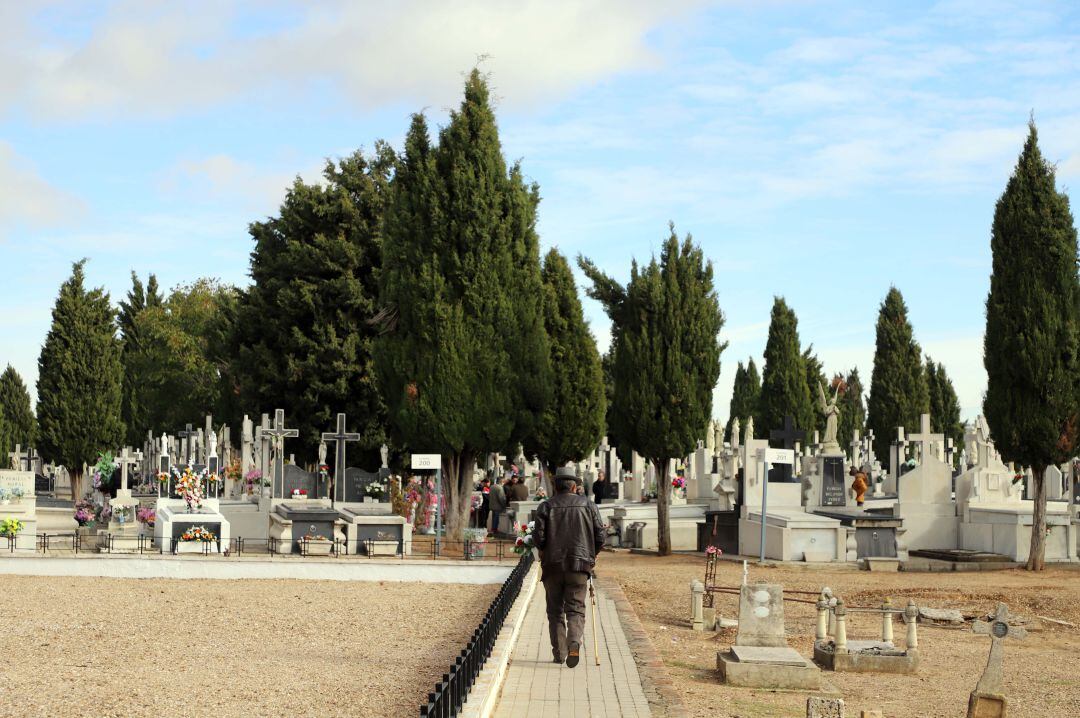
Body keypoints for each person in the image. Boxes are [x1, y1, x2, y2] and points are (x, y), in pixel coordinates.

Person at [534, 467, 605, 668]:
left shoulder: (545, 507)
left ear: (555, 487)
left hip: (553, 566)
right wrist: (592, 555)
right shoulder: (589, 506)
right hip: (579, 565)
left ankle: (559, 653)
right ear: (574, 486)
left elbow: (539, 538)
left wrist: (544, 549)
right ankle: (574, 640)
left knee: (555, 611)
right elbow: (600, 535)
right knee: (575, 608)